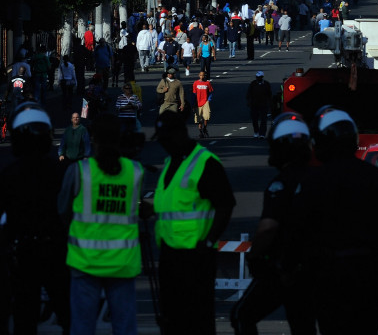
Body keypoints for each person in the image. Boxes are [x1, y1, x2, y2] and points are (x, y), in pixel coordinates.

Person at [281, 107, 378, 334]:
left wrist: (290, 269)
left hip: (328, 278)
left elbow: (296, 230)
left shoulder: (313, 181)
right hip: (369, 277)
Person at [152, 110, 236, 335]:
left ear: (180, 133)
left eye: (166, 138)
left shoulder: (205, 162)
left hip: (196, 256)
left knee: (198, 319)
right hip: (170, 254)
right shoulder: (171, 162)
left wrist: (208, 241)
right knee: (171, 318)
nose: (163, 144)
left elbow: (225, 204)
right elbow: (174, 203)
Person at [60, 113, 144, 335]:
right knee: (125, 326)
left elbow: (62, 211)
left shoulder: (80, 171)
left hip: (85, 262)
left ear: (93, 139)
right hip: (122, 263)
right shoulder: (135, 171)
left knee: (82, 326)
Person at [231, 113, 312, 335]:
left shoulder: (281, 184)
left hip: (282, 269)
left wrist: (254, 255)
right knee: (303, 325)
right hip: (315, 268)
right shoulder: (319, 178)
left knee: (241, 315)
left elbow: (268, 227)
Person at [0, 104, 72, 333]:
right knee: (68, 314)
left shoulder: (9, 175)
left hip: (22, 253)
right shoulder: (62, 172)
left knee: (24, 315)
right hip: (59, 251)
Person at [246, 71, 273, 138]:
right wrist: (249, 101)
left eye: (259, 77)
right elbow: (249, 93)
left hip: (263, 104)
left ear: (262, 77)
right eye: (257, 77)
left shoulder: (266, 84)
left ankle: (262, 133)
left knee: (263, 119)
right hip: (254, 104)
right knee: (254, 119)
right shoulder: (253, 84)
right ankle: (256, 131)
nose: (258, 78)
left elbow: (269, 94)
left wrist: (270, 103)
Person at [193, 71, 215, 138]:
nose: (202, 77)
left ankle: (204, 128)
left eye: (203, 75)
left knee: (206, 116)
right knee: (199, 118)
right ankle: (200, 131)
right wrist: (193, 103)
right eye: (200, 75)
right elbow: (194, 94)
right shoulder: (195, 83)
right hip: (198, 102)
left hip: (205, 101)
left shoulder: (207, 83)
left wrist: (208, 100)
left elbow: (211, 92)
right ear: (198, 75)